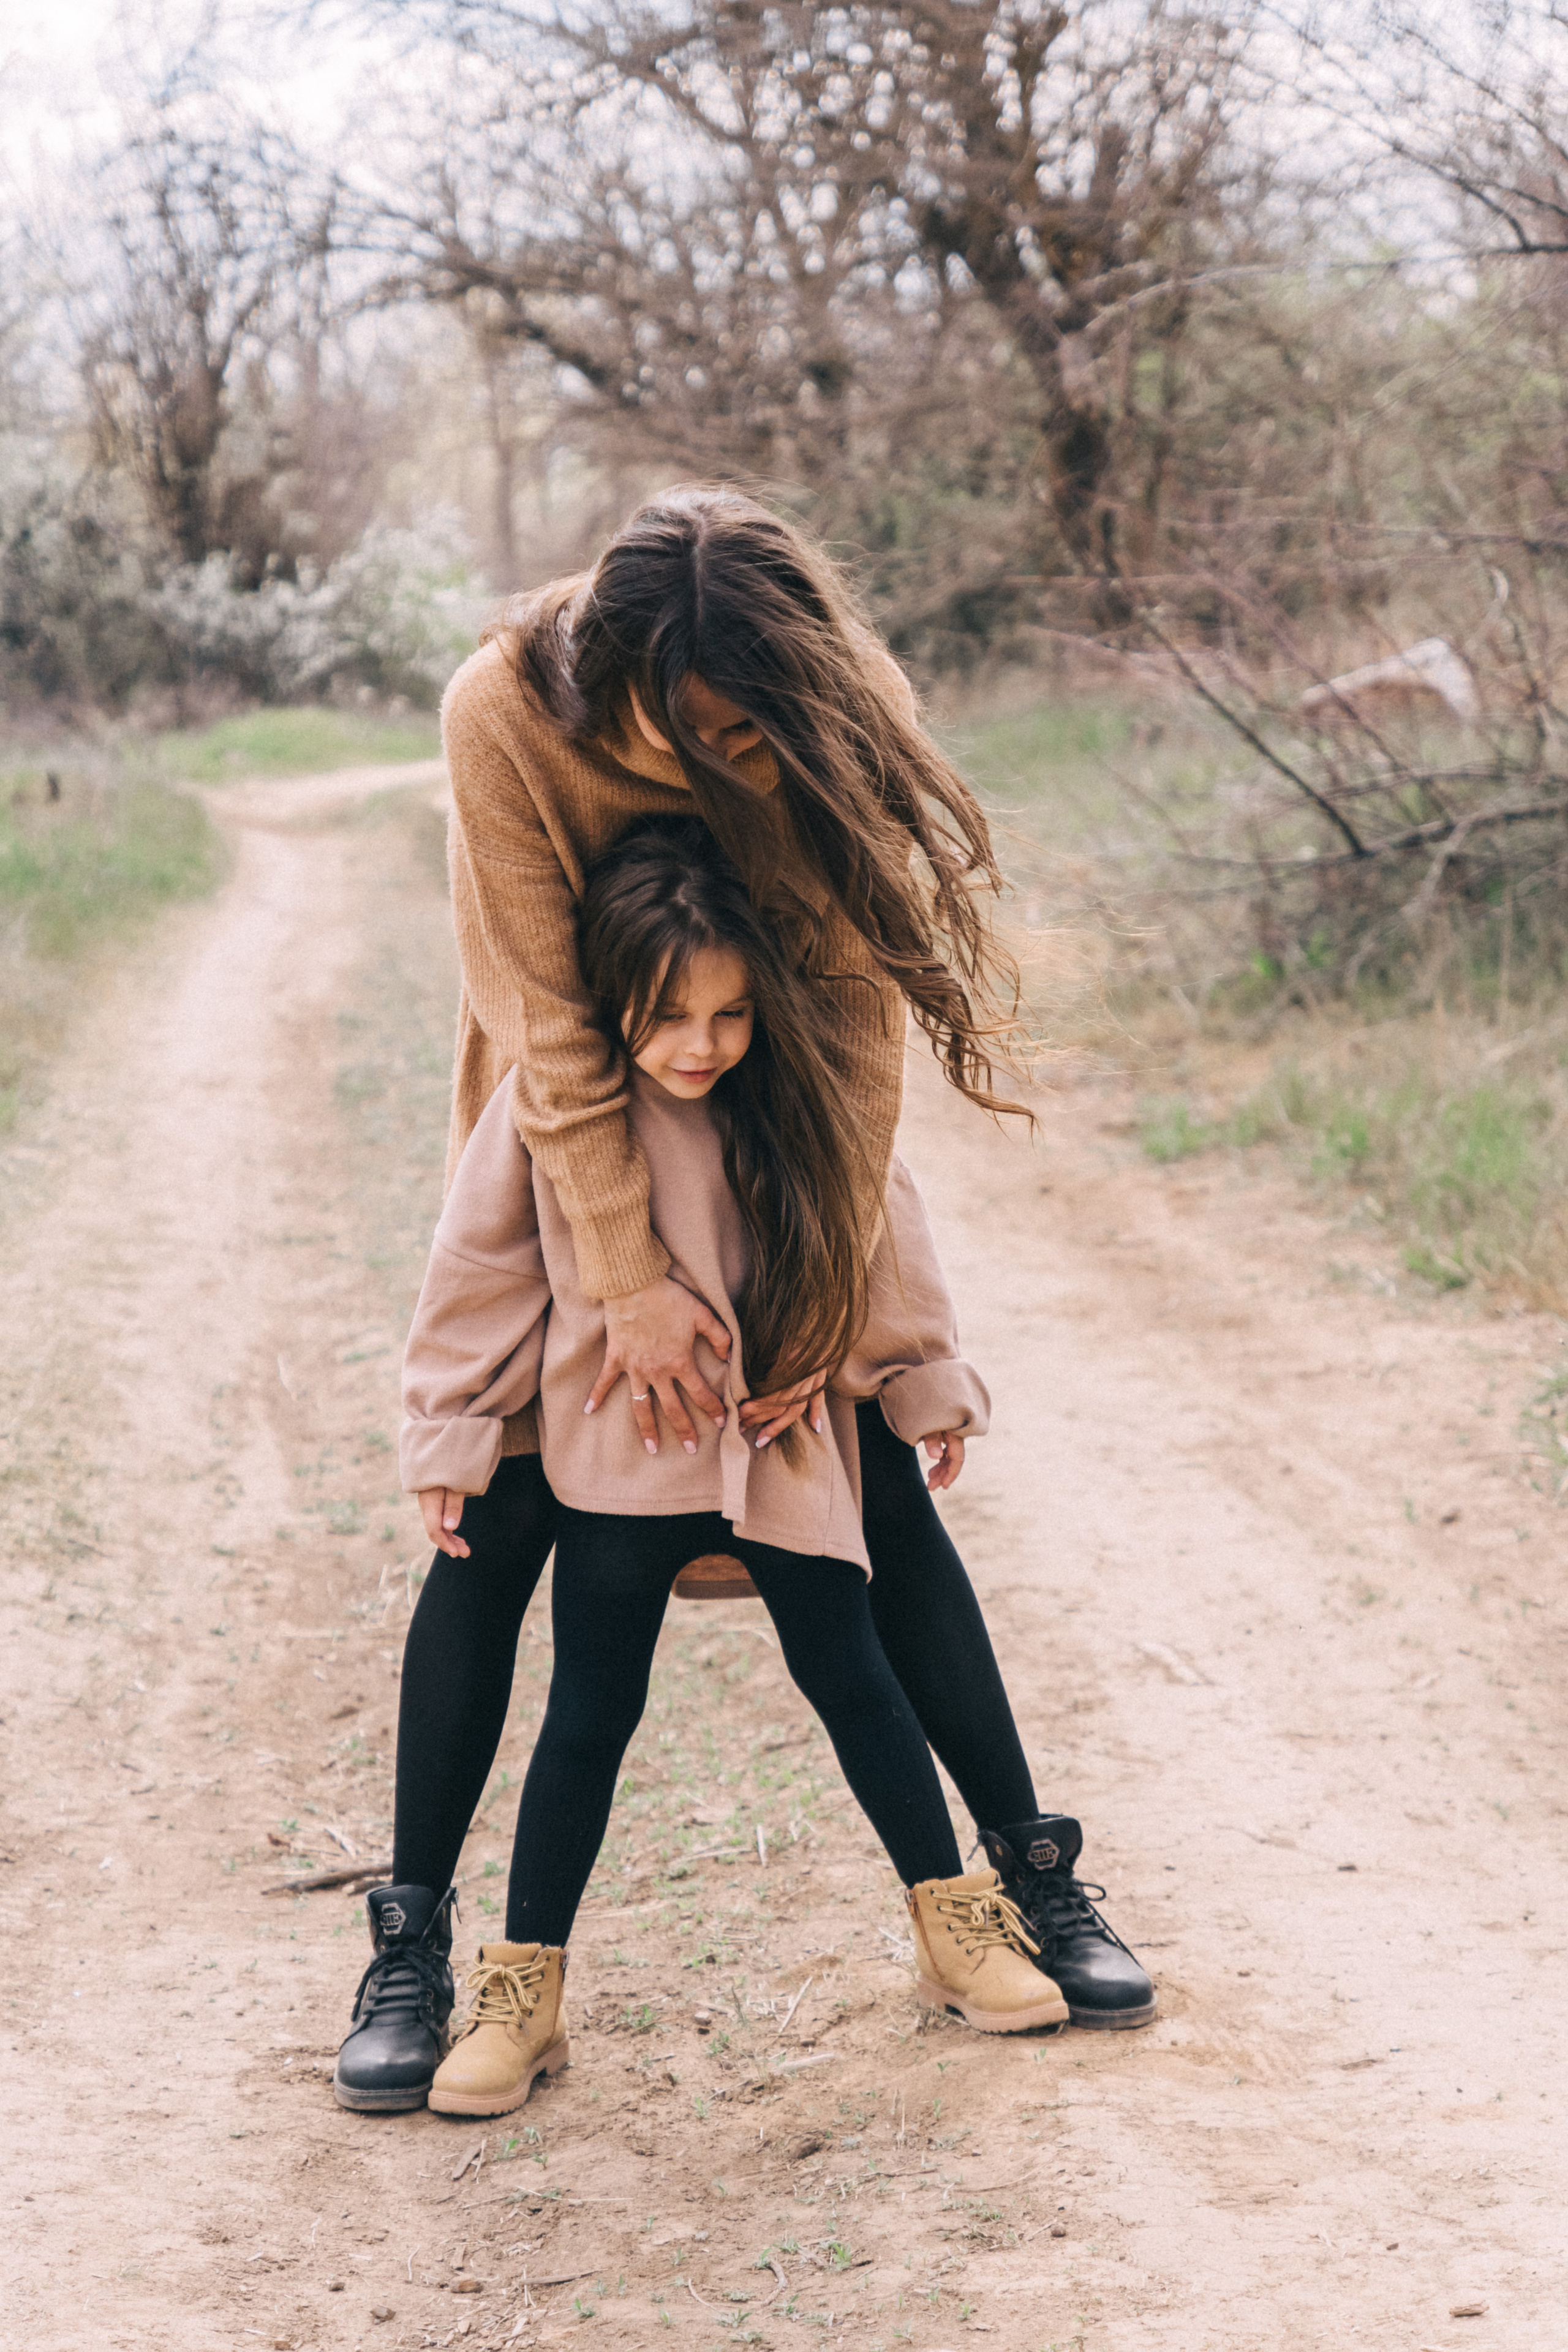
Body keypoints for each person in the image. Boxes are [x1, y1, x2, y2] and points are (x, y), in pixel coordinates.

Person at [331, 489, 1152, 2116]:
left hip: (783, 1170)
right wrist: (624, 1285)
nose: (747, 757)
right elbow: (548, 1021)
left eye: (767, 730)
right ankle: (421, 1945)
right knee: (493, 1539)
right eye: (715, 732)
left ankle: (1025, 1876)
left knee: (877, 1528)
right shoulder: (506, 711)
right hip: (571, 1173)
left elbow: (852, 1017)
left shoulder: (828, 702)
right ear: (628, 679)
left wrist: (826, 1313)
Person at [394, 817, 1070, 2116]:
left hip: (784, 1443)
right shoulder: (549, 1107)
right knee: (588, 1712)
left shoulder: (794, 1092)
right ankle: (522, 1988)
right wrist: (456, 1438)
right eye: (665, 1017)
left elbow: (883, 1228)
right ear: (605, 1001)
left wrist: (917, 1380)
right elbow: (476, 1274)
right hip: (617, 1459)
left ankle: (951, 1924)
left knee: (855, 1679)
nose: (698, 1045)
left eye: (726, 1014)